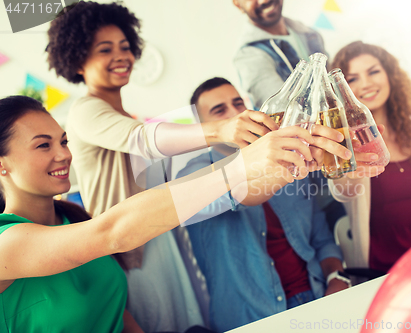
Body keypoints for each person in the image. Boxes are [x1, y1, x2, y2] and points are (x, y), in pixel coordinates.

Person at [45, 2, 282, 331]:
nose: (121, 56)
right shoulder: (85, 110)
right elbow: (141, 139)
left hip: (163, 241)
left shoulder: (127, 118)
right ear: (77, 59)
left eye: (126, 47)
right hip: (130, 253)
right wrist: (222, 129)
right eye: (105, 49)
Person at [0, 95, 317, 332]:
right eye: (43, 145)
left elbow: (120, 316)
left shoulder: (74, 219)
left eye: (64, 141)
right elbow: (114, 232)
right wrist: (240, 165)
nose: (64, 154)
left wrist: (297, 160)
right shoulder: (6, 242)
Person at [177, 78, 384, 332]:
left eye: (238, 103)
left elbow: (321, 239)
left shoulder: (289, 157)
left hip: (317, 299)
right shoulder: (194, 174)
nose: (237, 115)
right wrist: (288, 167)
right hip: (251, 319)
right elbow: (237, 194)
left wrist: (336, 277)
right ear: (205, 128)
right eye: (220, 110)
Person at [329, 41, 411, 273]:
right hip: (383, 268)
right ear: (341, 89)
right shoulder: (344, 140)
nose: (366, 83)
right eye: (352, 79)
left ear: (390, 75)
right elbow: (343, 193)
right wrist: (348, 165)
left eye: (373, 72)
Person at [233, 0, 346, 233]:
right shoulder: (250, 54)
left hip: (344, 158)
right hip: (309, 178)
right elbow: (287, 117)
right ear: (237, 4)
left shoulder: (309, 33)